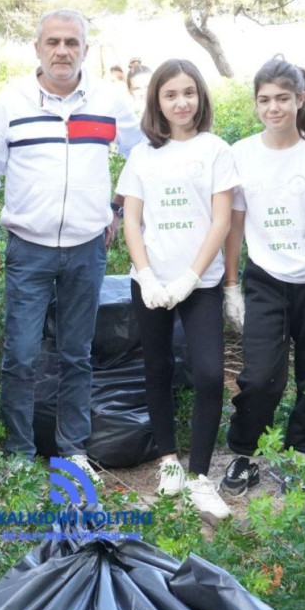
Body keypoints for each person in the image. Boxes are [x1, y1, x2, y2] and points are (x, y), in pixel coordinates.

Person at [0, 9, 142, 481]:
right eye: (53, 42)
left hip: (88, 248)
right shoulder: (12, 100)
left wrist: (117, 206)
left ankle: (72, 449)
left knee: (76, 354)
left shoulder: (108, 101)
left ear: (86, 49)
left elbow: (142, 154)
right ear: (38, 49)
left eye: (72, 42)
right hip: (28, 247)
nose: (62, 51)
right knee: (22, 355)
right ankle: (19, 454)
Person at [116, 58, 238, 520]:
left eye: (188, 92)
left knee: (208, 374)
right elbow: (131, 218)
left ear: (200, 96)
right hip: (150, 282)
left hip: (199, 281)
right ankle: (169, 461)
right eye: (170, 94)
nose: (181, 101)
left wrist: (192, 275)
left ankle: (202, 476)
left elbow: (222, 219)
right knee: (157, 367)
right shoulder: (143, 154)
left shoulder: (215, 149)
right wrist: (145, 273)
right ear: (158, 102)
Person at [220, 58, 305, 496]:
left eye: (282, 99)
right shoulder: (240, 155)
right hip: (266, 278)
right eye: (264, 100)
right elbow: (234, 224)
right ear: (256, 103)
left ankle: (304, 454)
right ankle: (244, 454)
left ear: (300, 99)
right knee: (259, 376)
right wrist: (231, 285)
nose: (273, 108)